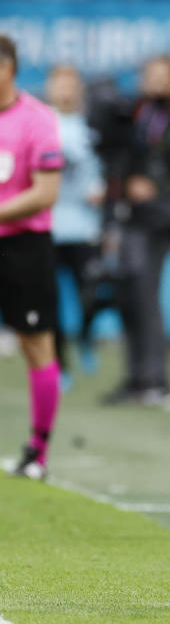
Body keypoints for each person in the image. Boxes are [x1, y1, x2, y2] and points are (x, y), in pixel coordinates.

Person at [101, 55, 170, 411]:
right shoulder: (142, 115)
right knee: (129, 296)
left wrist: (157, 189)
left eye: (163, 76)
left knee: (145, 295)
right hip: (135, 218)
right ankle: (136, 379)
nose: (156, 83)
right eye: (151, 76)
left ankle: (157, 381)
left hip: (160, 220)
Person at [0, 35, 65, 480]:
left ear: (8, 68)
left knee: (35, 342)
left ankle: (37, 451)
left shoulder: (37, 120)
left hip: (23, 246)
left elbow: (46, 193)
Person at [46, 65, 107, 385]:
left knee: (91, 294)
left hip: (85, 227)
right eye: (60, 84)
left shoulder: (91, 126)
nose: (66, 90)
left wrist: (101, 190)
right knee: (49, 302)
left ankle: (85, 336)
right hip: (49, 227)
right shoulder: (40, 125)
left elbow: (103, 169)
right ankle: (61, 365)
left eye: (71, 83)